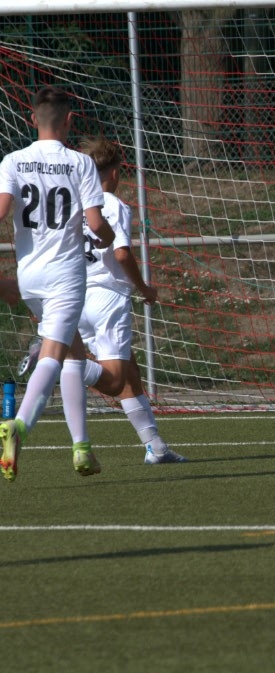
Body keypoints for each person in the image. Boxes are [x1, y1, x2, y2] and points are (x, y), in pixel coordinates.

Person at [0, 86, 117, 481]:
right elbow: (97, 224)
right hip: (66, 274)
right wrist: (107, 239)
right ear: (70, 120)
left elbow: (0, 213)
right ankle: (19, 425)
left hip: (29, 275)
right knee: (53, 352)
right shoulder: (80, 163)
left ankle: (82, 447)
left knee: (72, 354)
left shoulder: (13, 160)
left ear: (33, 119)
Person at [61, 135, 186, 465]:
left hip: (78, 296)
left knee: (129, 373)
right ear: (114, 172)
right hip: (107, 298)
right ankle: (58, 361)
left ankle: (155, 446)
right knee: (114, 380)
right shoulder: (111, 205)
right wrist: (145, 289)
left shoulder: (74, 207)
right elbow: (121, 252)